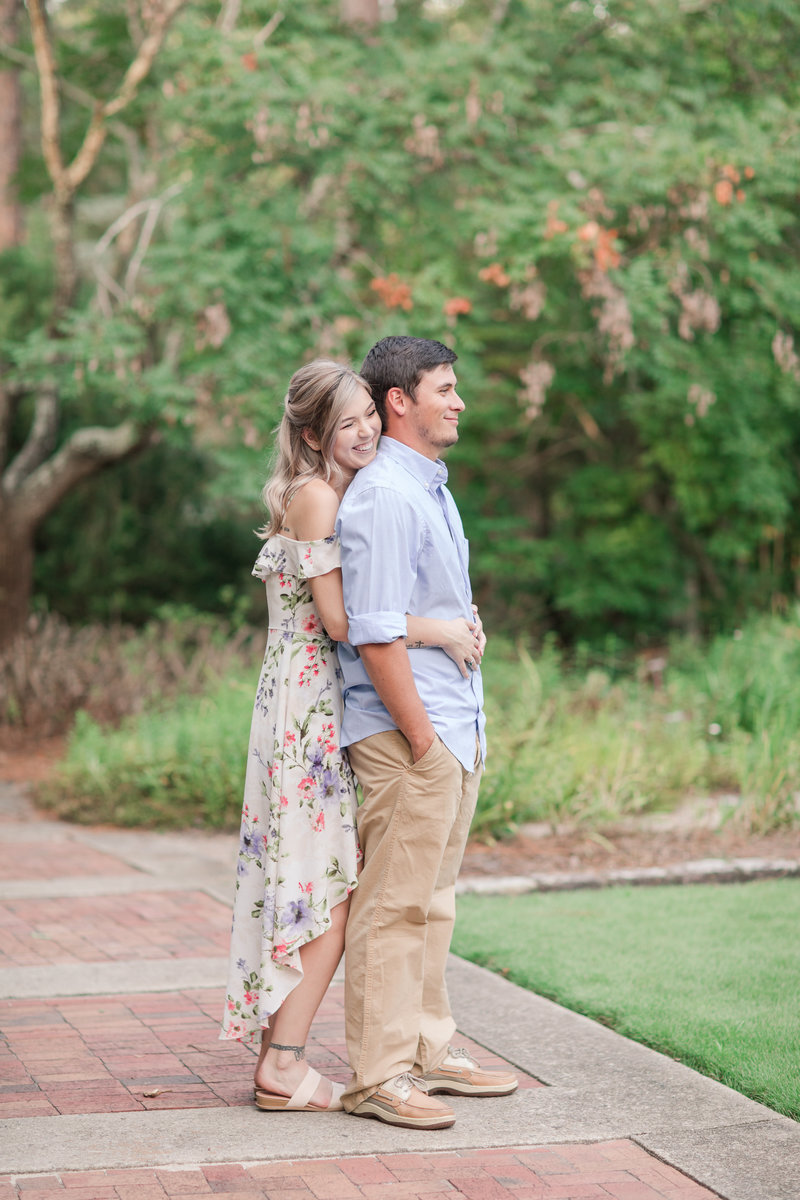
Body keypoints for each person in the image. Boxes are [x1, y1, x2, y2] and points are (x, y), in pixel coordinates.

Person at [220, 359, 484, 1114]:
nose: (366, 428)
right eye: (347, 421)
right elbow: (343, 624)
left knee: (312, 885)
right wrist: (435, 629)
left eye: (369, 413)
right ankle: (283, 1061)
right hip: (306, 706)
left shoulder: (335, 494)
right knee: (327, 895)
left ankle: (283, 1055)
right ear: (312, 434)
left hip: (311, 703)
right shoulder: (316, 498)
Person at [335, 336, 519, 1130]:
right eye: (445, 388)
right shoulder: (385, 495)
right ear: (398, 401)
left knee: (432, 902)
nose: (460, 400)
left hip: (450, 726)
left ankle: (428, 1049)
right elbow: (372, 632)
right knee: (394, 907)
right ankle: (378, 1076)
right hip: (415, 734)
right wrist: (419, 740)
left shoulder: (428, 488)